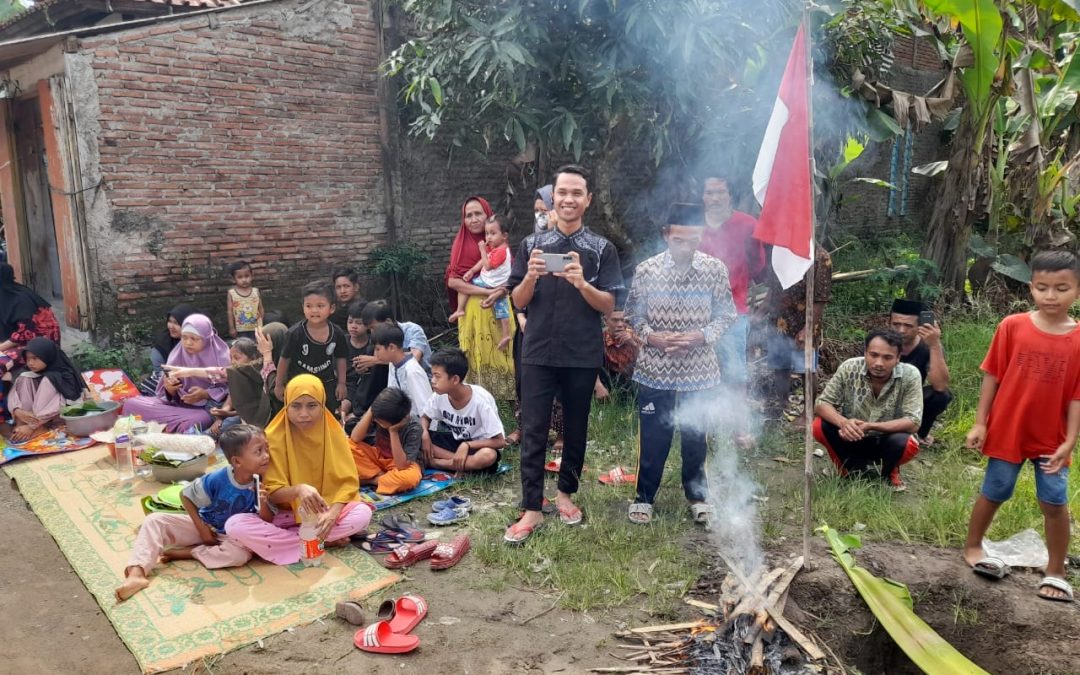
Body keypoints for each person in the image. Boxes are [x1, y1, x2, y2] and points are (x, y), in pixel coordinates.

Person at [505, 165, 624, 544]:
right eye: (562, 193)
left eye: (577, 193)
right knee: (534, 428)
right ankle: (532, 508)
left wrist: (581, 283)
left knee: (575, 428)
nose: (569, 199)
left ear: (588, 200)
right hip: (538, 350)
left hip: (581, 352)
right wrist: (531, 277)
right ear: (552, 198)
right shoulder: (530, 246)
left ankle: (565, 495)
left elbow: (608, 305)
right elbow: (517, 300)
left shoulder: (601, 249)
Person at [963, 250, 1080, 602]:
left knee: (1055, 501)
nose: (1051, 296)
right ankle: (972, 546)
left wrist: (1070, 441)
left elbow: (1077, 396)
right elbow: (992, 376)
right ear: (1031, 288)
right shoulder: (1012, 326)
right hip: (1007, 429)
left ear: (1077, 290)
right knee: (995, 489)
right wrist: (980, 422)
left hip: (1052, 437)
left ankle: (1056, 568)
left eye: (1062, 288)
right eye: (1042, 287)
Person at [624, 204, 737, 525]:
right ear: (665, 236)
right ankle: (644, 497)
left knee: (695, 435)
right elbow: (633, 314)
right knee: (654, 435)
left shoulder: (714, 269)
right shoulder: (647, 271)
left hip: (699, 369)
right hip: (654, 368)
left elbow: (727, 314)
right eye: (679, 240)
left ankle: (698, 495)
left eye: (693, 240)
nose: (686, 247)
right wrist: (651, 337)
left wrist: (701, 335)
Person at [225, 375, 373, 564]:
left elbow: (347, 485)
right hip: (284, 516)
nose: (304, 413)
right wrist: (298, 490)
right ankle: (319, 542)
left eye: (312, 405)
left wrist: (332, 514)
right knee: (235, 525)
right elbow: (272, 493)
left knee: (362, 514)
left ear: (322, 404)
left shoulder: (334, 433)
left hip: (324, 513)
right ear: (286, 405)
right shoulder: (272, 436)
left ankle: (294, 541)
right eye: (296, 406)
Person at [114, 424, 271, 601]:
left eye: (267, 449)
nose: (266, 456)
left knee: (239, 556)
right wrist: (202, 528)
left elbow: (266, 523)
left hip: (234, 538)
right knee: (154, 521)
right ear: (237, 461)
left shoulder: (265, 481)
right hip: (206, 524)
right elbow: (185, 495)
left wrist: (264, 503)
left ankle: (190, 552)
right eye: (258, 451)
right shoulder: (219, 478)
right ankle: (136, 573)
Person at [698, 176, 765, 447]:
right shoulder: (693, 224)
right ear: (702, 196)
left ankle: (740, 427)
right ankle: (701, 423)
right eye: (709, 192)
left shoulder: (747, 224)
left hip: (733, 310)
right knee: (698, 371)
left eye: (720, 192)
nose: (714, 198)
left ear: (729, 195)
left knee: (735, 371)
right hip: (695, 311)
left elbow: (758, 265)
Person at [812, 329, 922, 490]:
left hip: (887, 439)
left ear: (898, 358)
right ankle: (848, 467)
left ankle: (889, 472)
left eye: (887, 357)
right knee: (818, 426)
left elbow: (913, 422)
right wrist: (844, 423)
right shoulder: (849, 367)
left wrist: (871, 426)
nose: (879, 363)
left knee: (905, 443)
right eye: (873, 355)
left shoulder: (910, 375)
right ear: (865, 352)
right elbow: (822, 403)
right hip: (852, 436)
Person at [444, 196, 518, 402]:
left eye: (478, 214)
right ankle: (478, 401)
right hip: (472, 310)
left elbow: (512, 279)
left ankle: (509, 403)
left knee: (501, 352)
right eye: (468, 215)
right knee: (475, 354)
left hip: (497, 309)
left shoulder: (500, 246)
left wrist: (502, 290)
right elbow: (454, 282)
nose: (474, 219)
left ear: (487, 215)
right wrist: (488, 292)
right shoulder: (460, 246)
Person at [122, 314, 231, 432]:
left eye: (194, 338)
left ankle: (164, 430)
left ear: (206, 338)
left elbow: (231, 389)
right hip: (176, 406)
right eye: (184, 337)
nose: (188, 343)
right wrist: (170, 388)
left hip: (204, 409)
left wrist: (206, 394)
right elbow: (166, 392)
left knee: (190, 425)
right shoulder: (178, 353)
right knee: (131, 404)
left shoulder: (221, 355)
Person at [766, 246, 832, 422]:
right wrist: (760, 312)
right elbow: (773, 289)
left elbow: (820, 299)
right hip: (779, 321)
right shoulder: (780, 251)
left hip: (805, 322)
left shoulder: (819, 257)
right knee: (780, 367)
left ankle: (808, 413)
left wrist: (807, 329)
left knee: (806, 369)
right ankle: (782, 405)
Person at [421, 348, 505, 475]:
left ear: (455, 379)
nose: (432, 380)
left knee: (488, 455)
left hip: (478, 446)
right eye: (432, 375)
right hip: (455, 442)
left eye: (437, 376)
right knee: (415, 436)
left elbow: (500, 441)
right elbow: (425, 417)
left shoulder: (480, 401)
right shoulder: (439, 395)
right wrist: (424, 434)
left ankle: (437, 463)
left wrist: (467, 445)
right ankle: (461, 463)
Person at [0, 263, 61, 424]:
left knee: (1, 363)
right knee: (4, 372)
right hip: (21, 344)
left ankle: (5, 417)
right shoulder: (7, 295)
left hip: (37, 347)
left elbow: (24, 334)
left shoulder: (19, 298)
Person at [276, 281, 348, 415]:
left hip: (326, 383)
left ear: (331, 308)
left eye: (320, 306)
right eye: (309, 306)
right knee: (301, 416)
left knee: (328, 415)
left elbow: (341, 358)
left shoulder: (337, 333)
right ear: (303, 307)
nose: (314, 310)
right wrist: (279, 385)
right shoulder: (295, 333)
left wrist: (342, 383)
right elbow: (284, 359)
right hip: (299, 384)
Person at [888, 299, 952, 444]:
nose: (901, 330)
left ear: (919, 326)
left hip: (910, 400)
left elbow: (941, 386)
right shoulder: (879, 341)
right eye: (896, 324)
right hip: (879, 397)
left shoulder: (927, 345)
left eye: (908, 325)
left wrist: (934, 345)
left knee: (941, 396)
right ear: (889, 322)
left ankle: (918, 434)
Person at [449, 216, 514, 351]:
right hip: (497, 286)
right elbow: (484, 261)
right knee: (503, 310)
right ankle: (506, 334)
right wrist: (472, 270)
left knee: (464, 287)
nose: (488, 237)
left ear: (504, 235)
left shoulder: (501, 251)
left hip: (489, 282)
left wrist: (482, 251)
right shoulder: (495, 248)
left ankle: (460, 309)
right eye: (486, 233)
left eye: (493, 233)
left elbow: (488, 265)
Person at [5, 338, 87, 442]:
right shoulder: (29, 374)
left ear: (47, 355)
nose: (30, 363)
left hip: (61, 417)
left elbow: (59, 404)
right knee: (24, 378)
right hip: (33, 418)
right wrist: (17, 411)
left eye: (35, 358)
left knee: (48, 379)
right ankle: (22, 426)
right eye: (28, 359)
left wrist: (32, 426)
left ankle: (36, 428)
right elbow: (13, 396)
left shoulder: (63, 375)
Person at [349, 388, 423, 495]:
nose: (375, 421)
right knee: (345, 446)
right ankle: (380, 476)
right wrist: (372, 409)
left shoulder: (414, 427)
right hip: (378, 458)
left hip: (402, 464)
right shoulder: (380, 412)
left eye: (379, 421)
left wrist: (393, 431)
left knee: (409, 478)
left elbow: (402, 465)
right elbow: (355, 438)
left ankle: (369, 480)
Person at [343, 300, 387, 432]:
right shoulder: (341, 343)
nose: (353, 326)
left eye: (359, 323)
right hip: (347, 389)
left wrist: (374, 361)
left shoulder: (374, 346)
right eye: (350, 322)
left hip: (368, 393)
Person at [372, 323, 432, 418]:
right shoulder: (393, 364)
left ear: (391, 347)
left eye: (378, 349)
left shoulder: (412, 371)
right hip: (402, 420)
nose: (375, 354)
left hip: (419, 424)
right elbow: (391, 395)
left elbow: (426, 408)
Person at [360, 300, 432, 374]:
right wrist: (364, 366)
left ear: (388, 321)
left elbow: (413, 359)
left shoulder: (413, 330)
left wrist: (376, 360)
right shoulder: (378, 338)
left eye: (373, 328)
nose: (372, 332)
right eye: (369, 329)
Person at [597, 309, 641, 399]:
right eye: (615, 320)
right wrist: (598, 385)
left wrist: (633, 344)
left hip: (630, 381)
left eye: (623, 320)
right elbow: (588, 364)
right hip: (607, 379)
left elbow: (645, 364)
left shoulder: (634, 335)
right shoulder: (598, 337)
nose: (620, 325)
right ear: (605, 321)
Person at [148, 303, 198, 377]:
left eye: (176, 323)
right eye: (170, 321)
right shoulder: (162, 344)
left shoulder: (202, 340)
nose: (171, 326)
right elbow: (160, 373)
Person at [226, 261, 263, 340]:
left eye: (247, 276)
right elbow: (230, 311)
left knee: (257, 347)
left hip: (256, 328)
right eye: (240, 277)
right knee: (243, 347)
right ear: (233, 279)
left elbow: (260, 308)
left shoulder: (255, 291)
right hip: (240, 329)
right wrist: (231, 328)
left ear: (252, 276)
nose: (244, 280)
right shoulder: (232, 293)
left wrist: (261, 323)